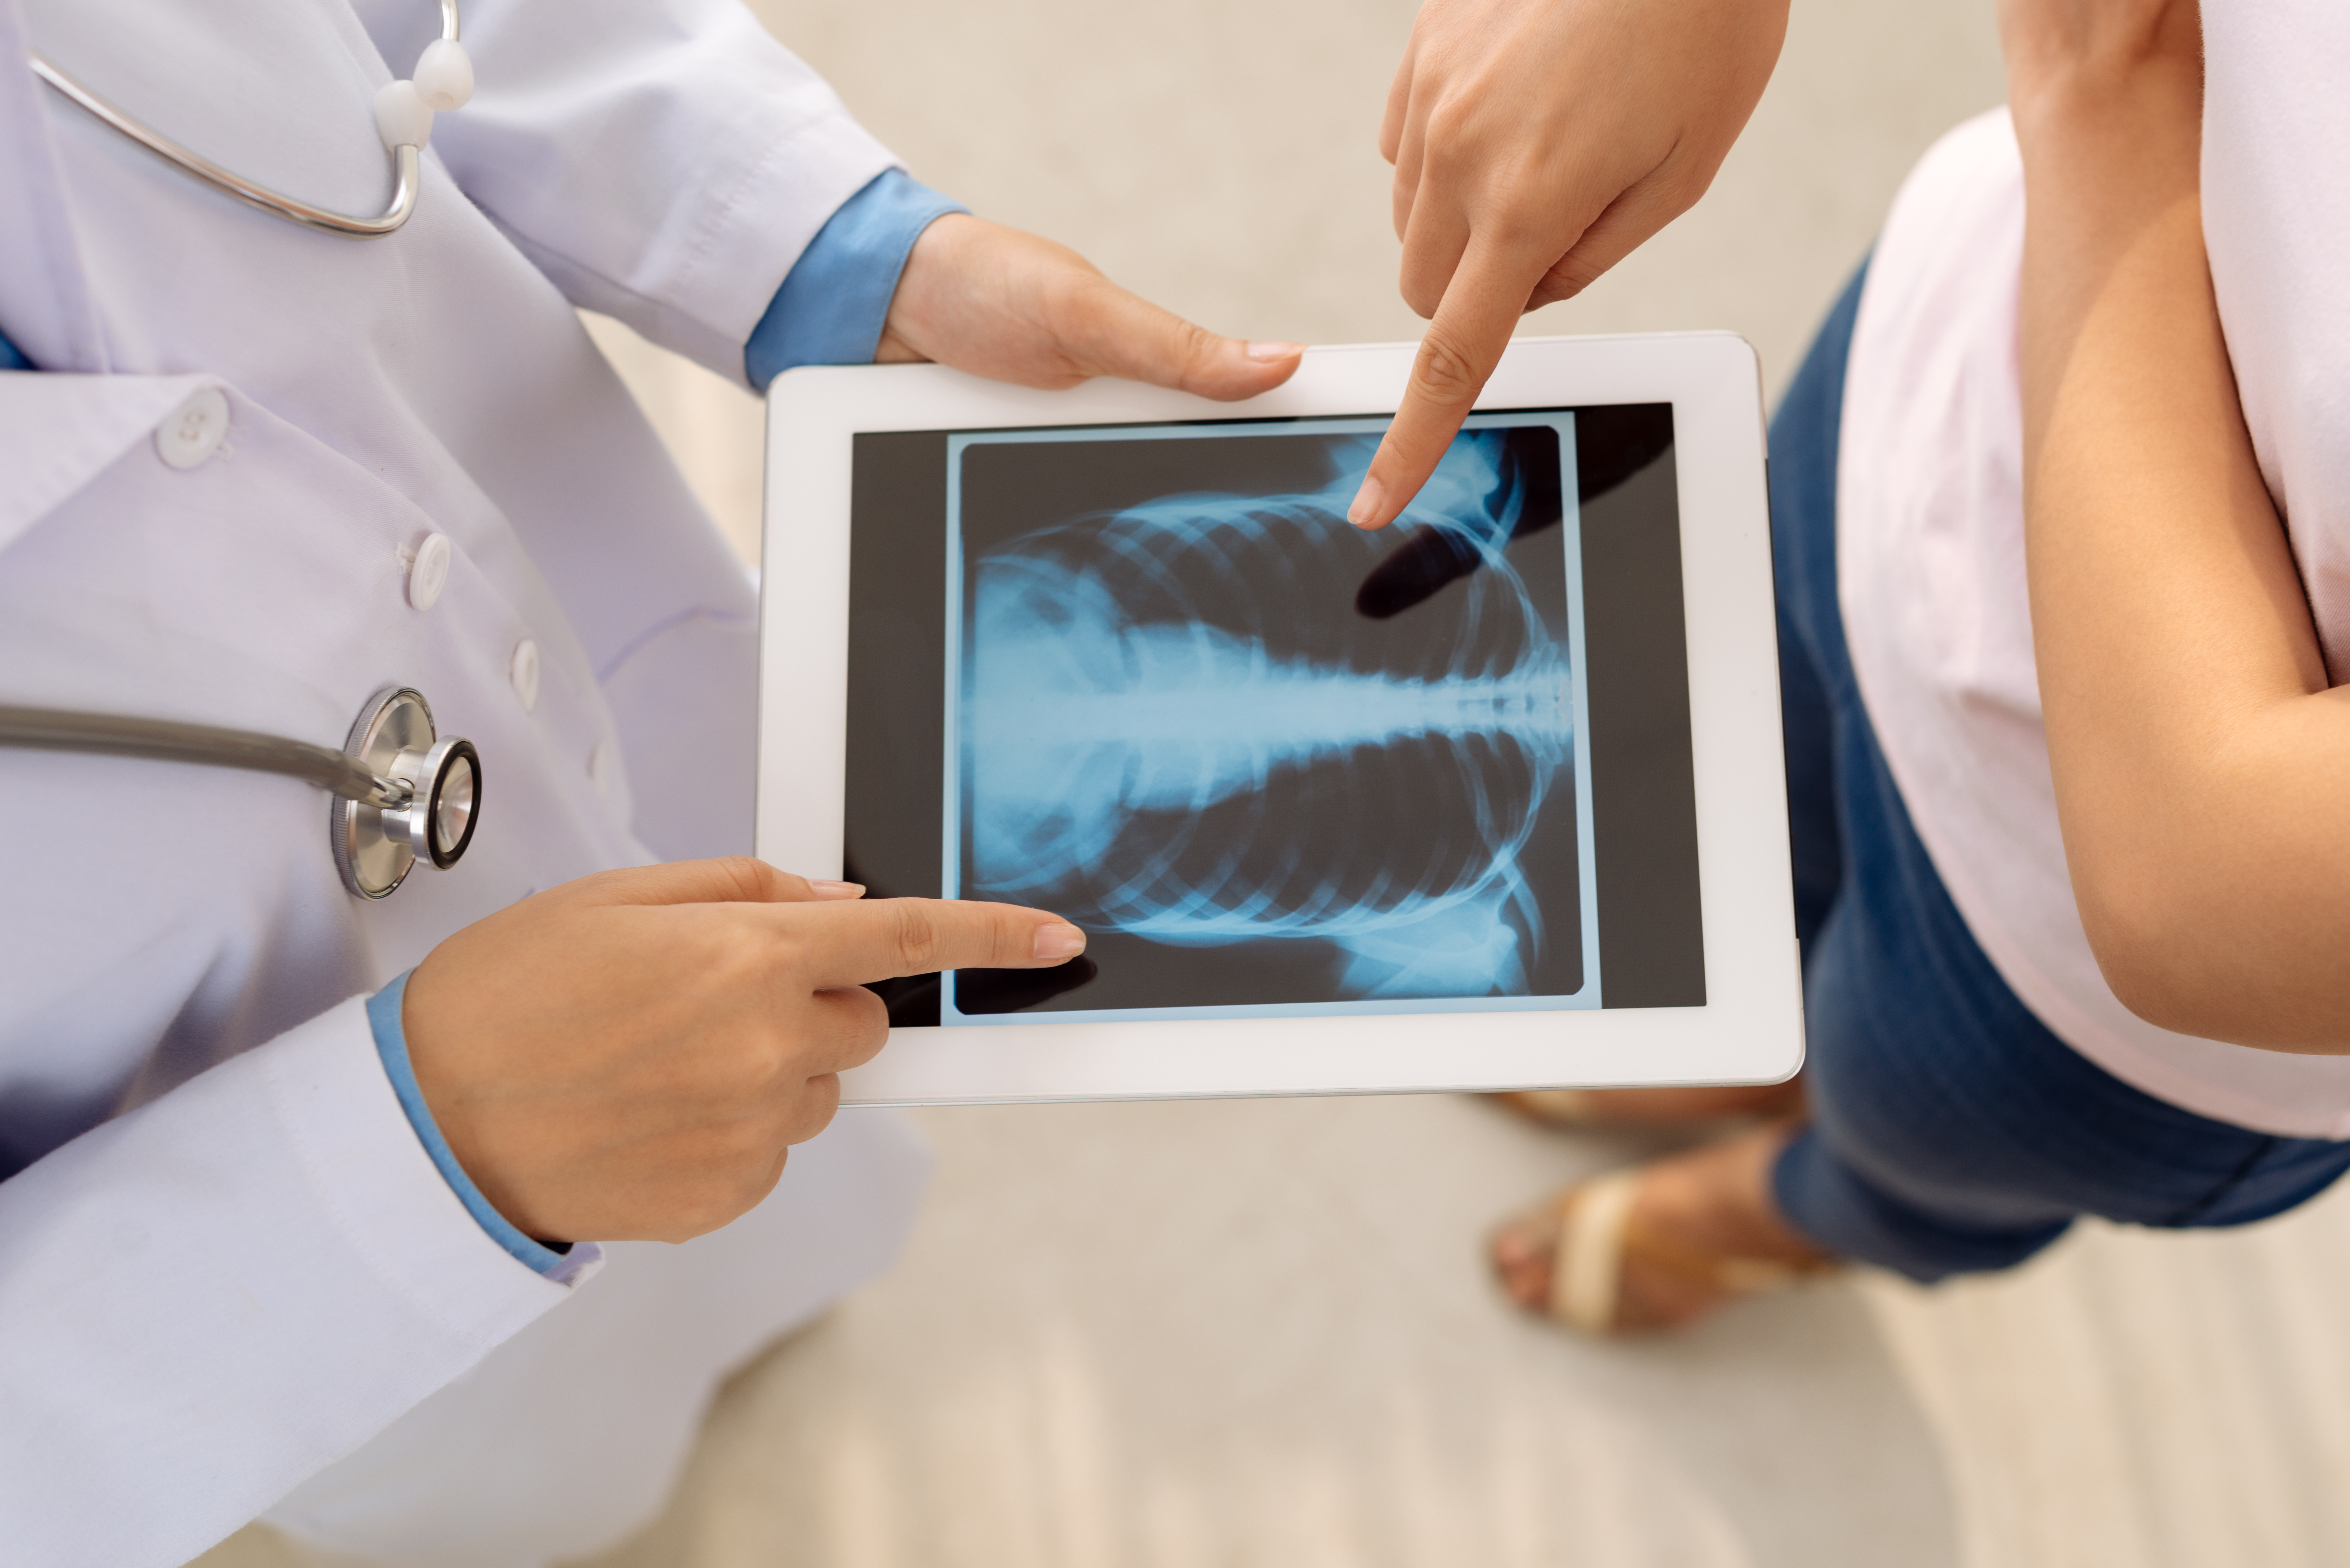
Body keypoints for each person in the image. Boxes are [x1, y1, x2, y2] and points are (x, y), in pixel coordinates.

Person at [0, 1, 1302, 1562]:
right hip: (258, 1219)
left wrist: (839, 255)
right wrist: (418, 1154)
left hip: (594, 616)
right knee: (544, 1449)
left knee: (813, 1107)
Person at [1367, 0, 2350, 1334]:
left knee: (1907, 1145)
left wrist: (2096, 91)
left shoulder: (2095, 89)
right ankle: (1748, 1049)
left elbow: (2202, 878)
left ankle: (1778, 1213)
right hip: (1931, 374)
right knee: (1738, 840)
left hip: (2088, 994)